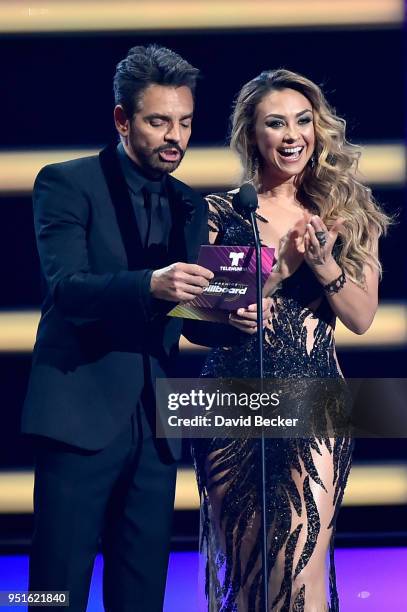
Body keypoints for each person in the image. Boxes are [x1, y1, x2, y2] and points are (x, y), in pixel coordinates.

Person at [22, 44, 269, 612]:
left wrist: (234, 321)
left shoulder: (189, 204)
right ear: (121, 119)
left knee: (141, 593)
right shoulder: (65, 183)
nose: (174, 136)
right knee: (52, 589)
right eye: (158, 121)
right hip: (77, 418)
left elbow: (192, 320)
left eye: (184, 122)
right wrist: (148, 284)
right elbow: (65, 288)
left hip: (156, 431)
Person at [191, 69, 390, 611]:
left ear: (319, 130)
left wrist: (324, 264)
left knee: (301, 559)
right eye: (275, 123)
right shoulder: (219, 215)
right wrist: (278, 271)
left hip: (315, 399)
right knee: (246, 563)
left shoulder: (348, 214)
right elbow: (204, 316)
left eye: (303, 121)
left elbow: (362, 317)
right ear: (251, 135)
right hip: (233, 400)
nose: (292, 134)